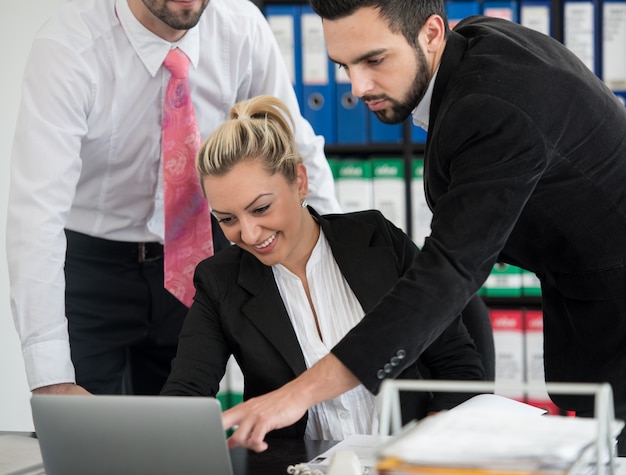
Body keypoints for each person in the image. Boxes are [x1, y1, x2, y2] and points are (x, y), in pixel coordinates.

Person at [221, 0, 626, 456]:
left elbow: (447, 273)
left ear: (431, 33)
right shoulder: (470, 48)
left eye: (373, 60)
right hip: (586, 297)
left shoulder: (493, 104)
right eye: (344, 65)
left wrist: (295, 396)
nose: (357, 86)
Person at [6, 0, 341, 397]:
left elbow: (294, 152)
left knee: (180, 436)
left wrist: (334, 279)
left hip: (195, 257)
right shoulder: (70, 47)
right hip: (92, 268)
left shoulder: (240, 27)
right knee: (90, 441)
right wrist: (51, 378)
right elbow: (36, 214)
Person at [161, 94, 486, 440]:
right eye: (227, 219)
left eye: (260, 209)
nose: (249, 234)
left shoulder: (377, 240)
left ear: (300, 181)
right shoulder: (220, 281)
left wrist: (422, 450)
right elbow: (186, 396)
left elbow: (460, 369)